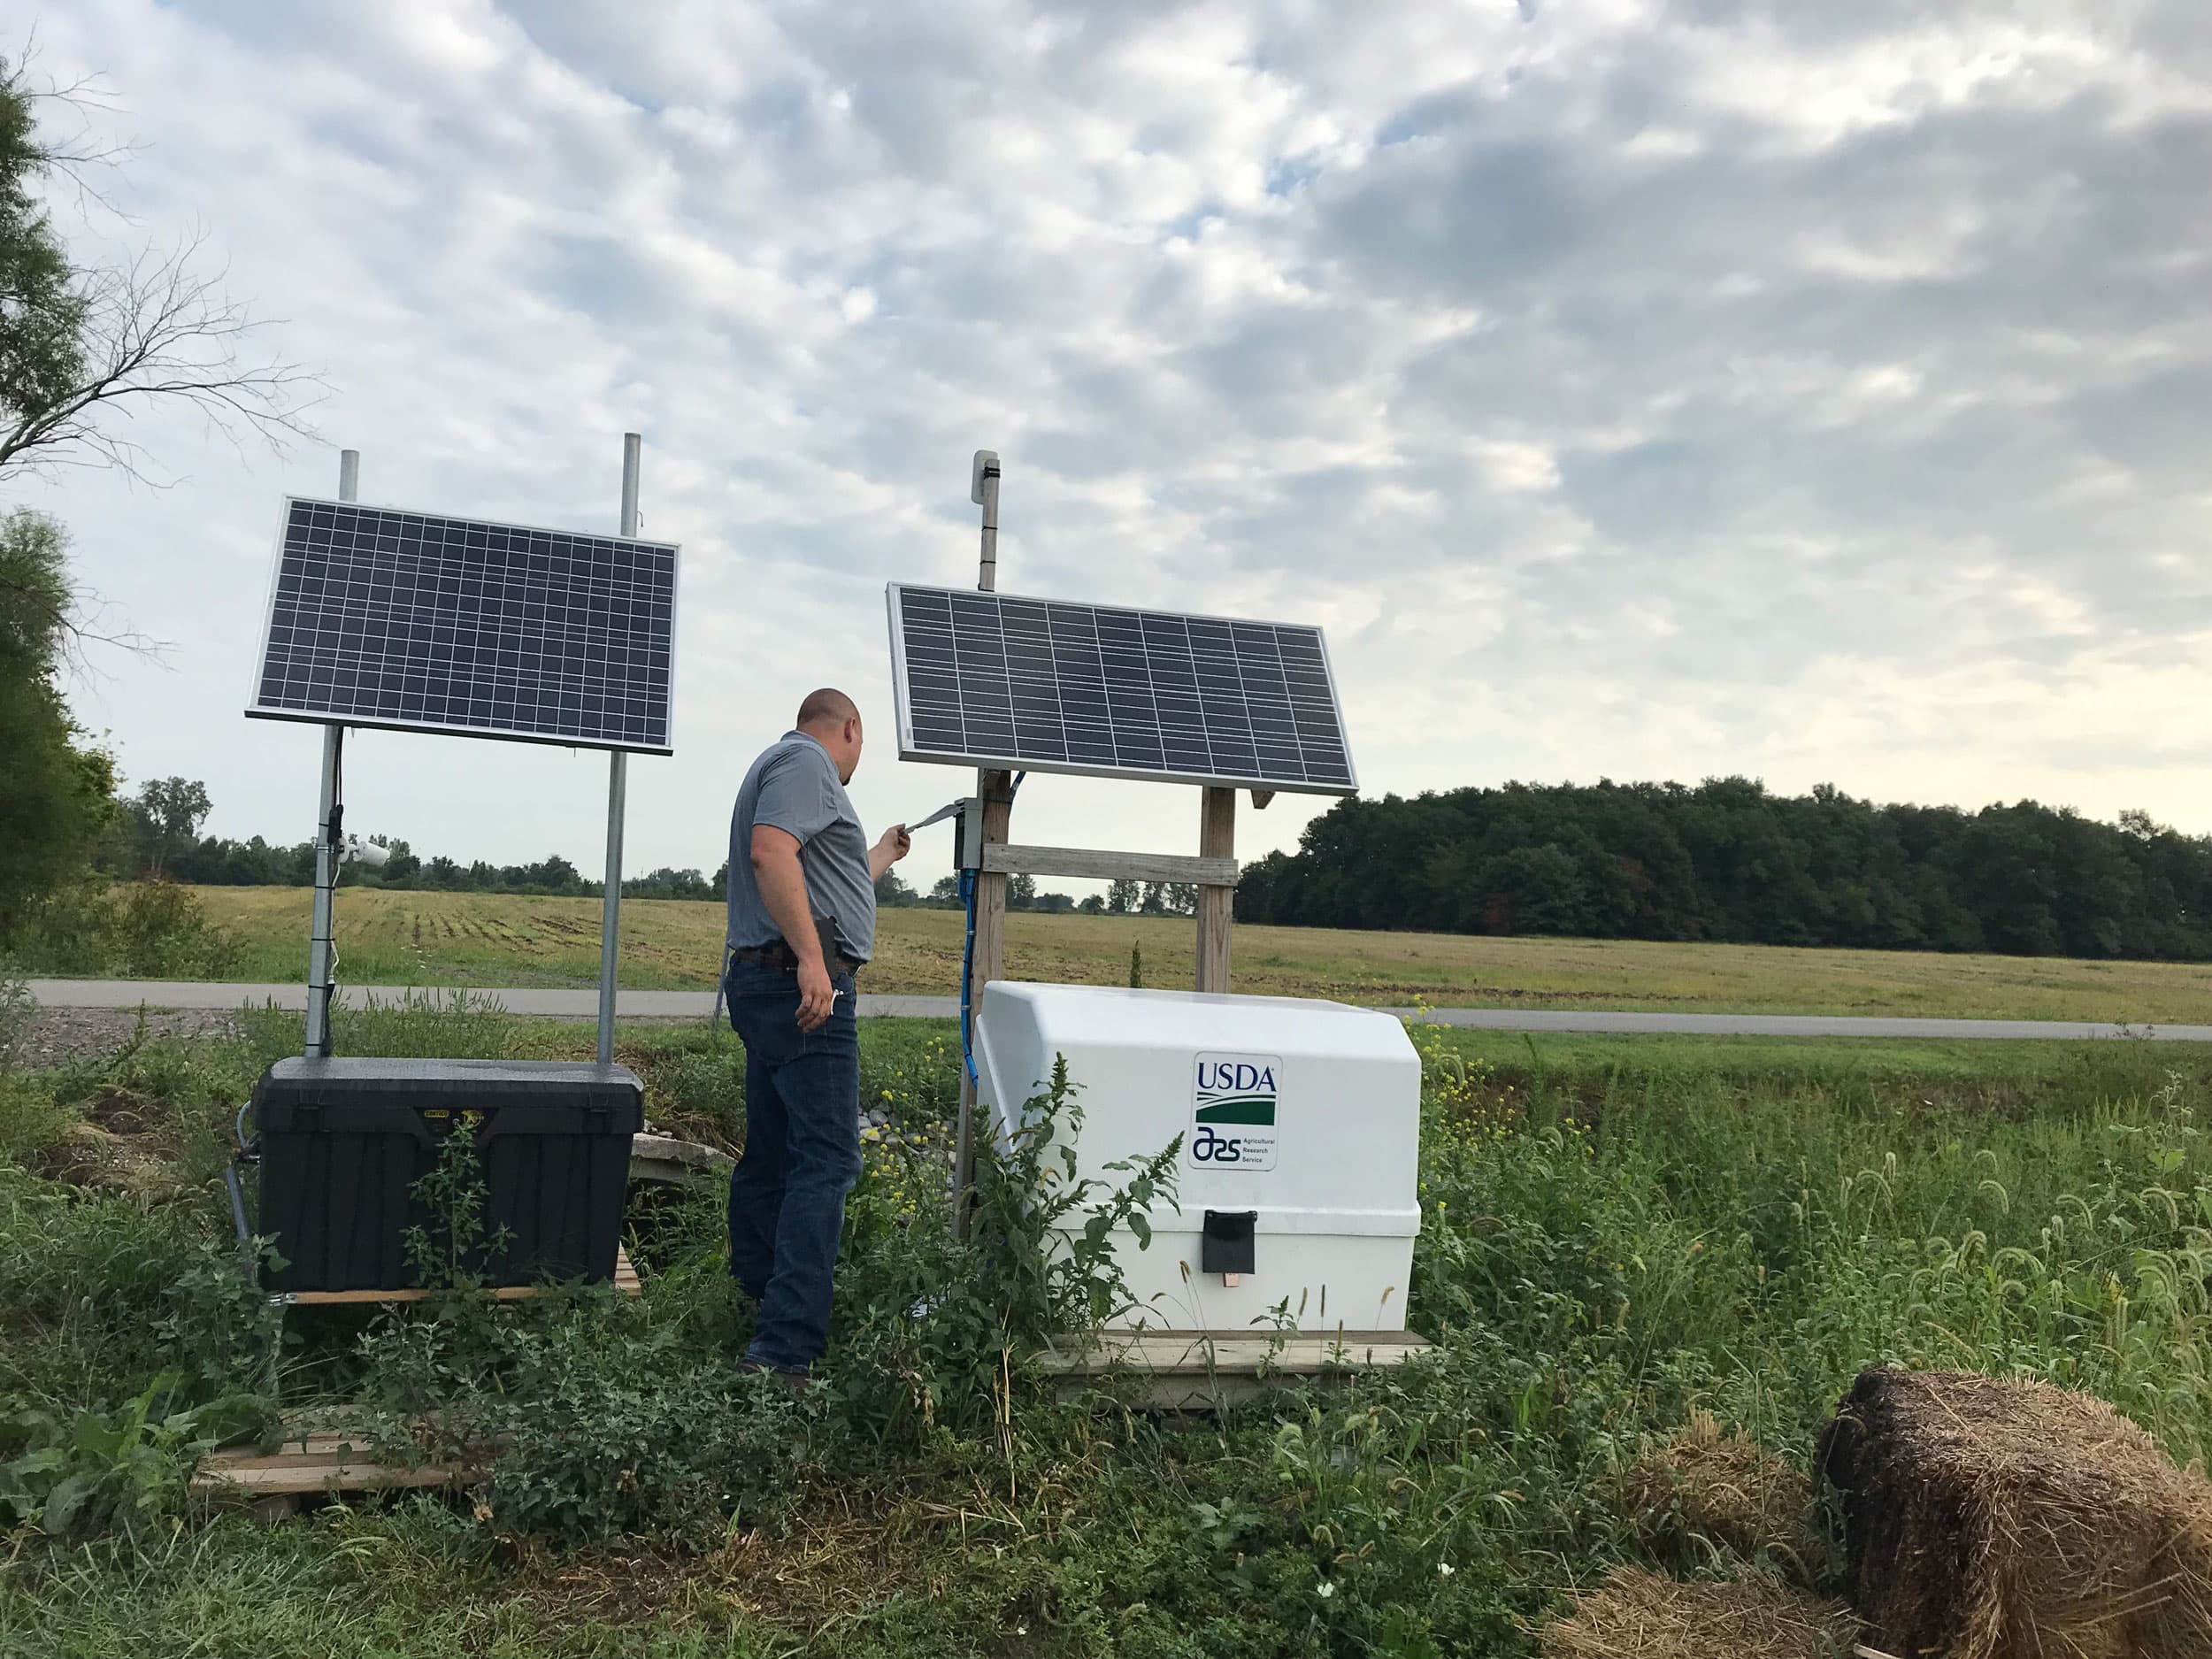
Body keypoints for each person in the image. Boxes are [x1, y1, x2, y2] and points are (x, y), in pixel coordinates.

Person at [722, 687, 910, 1382]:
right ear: (850, 728)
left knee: (773, 1149)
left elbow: (820, 884)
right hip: (803, 989)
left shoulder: (776, 763)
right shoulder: (808, 767)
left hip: (767, 981)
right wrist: (811, 961)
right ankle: (785, 1349)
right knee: (827, 1160)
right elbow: (771, 855)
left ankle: (756, 1296)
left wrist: (882, 854)